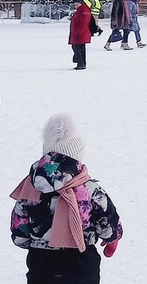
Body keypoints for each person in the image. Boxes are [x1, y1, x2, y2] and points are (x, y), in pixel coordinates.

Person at [10, 114, 123, 284]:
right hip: (80, 260)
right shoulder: (89, 189)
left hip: (41, 263)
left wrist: (31, 242)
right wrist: (112, 239)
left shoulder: (31, 187)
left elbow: (19, 227)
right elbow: (107, 219)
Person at [70, 0, 93, 70]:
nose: (76, 6)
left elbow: (84, 23)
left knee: (77, 48)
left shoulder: (83, 11)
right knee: (80, 48)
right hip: (79, 33)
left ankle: (81, 63)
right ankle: (81, 63)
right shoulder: (81, 10)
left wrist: (79, 32)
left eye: (77, 4)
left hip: (81, 33)